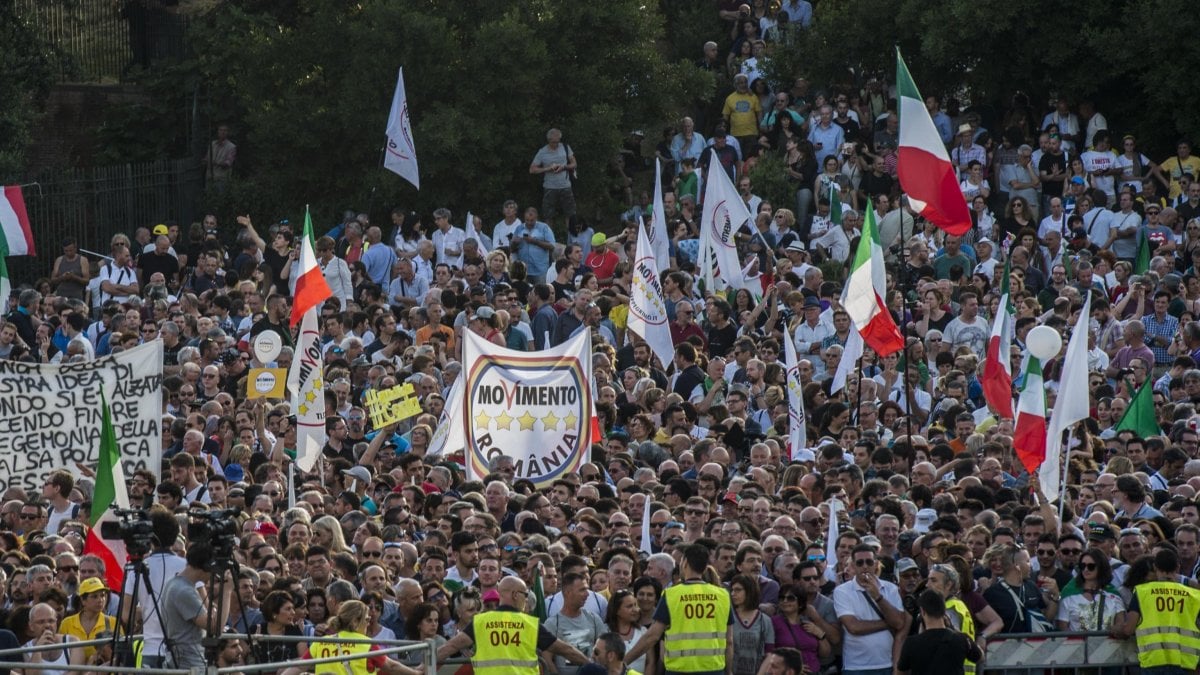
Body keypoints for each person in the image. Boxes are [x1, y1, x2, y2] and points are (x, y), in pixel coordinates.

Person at [437, 576, 589, 674]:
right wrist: (593, 666)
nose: (527, 599)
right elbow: (565, 650)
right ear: (516, 595)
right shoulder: (529, 623)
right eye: (525, 594)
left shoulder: (481, 621)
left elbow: (450, 647)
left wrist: (421, 668)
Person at [623, 544, 732, 675]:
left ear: (685, 562)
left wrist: (624, 662)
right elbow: (729, 641)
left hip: (679, 670)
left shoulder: (671, 595)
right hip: (714, 670)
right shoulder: (723, 595)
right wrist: (729, 671)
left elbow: (652, 636)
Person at [1112, 548, 1200, 674]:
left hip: (1154, 660)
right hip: (1186, 662)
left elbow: (1128, 630)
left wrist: (1115, 629)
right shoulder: (1193, 594)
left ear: (1155, 566)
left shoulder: (1142, 592)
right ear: (1178, 567)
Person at [283, 600, 421, 675]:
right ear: (355, 621)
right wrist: (415, 673)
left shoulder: (323, 642)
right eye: (366, 620)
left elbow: (299, 667)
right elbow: (391, 666)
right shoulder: (367, 644)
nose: (368, 624)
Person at [159, 542, 235, 669]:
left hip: (184, 660)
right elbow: (215, 628)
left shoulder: (175, 583)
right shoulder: (184, 591)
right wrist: (227, 591)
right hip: (189, 663)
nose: (214, 575)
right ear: (206, 566)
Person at [897, 589, 983, 675]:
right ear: (944, 610)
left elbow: (901, 672)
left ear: (922, 611)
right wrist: (954, 629)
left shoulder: (911, 643)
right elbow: (980, 657)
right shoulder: (960, 639)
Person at [530, 128, 578, 227]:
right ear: (549, 140)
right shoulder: (542, 152)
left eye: (557, 141)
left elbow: (574, 164)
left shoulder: (565, 147)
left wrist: (563, 167)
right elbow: (532, 169)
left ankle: (571, 238)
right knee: (548, 216)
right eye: (553, 142)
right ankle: (549, 240)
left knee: (570, 214)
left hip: (565, 186)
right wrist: (548, 169)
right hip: (550, 187)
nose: (556, 144)